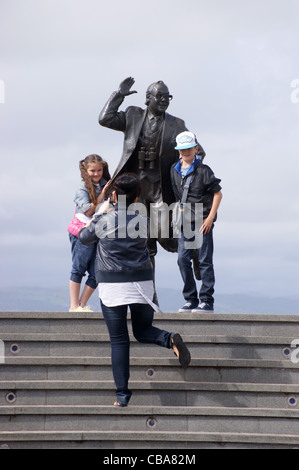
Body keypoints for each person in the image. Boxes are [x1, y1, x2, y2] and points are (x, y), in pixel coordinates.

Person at [78, 173, 191, 407]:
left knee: (119, 341)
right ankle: (169, 339)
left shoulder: (103, 220)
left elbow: (83, 237)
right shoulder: (143, 221)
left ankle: (122, 395)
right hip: (142, 282)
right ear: (137, 196)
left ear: (113, 196)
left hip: (112, 284)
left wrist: (101, 212)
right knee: (142, 330)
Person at [98, 77, 206, 258]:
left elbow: (199, 152)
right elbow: (105, 119)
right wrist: (118, 96)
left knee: (165, 238)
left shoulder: (177, 124)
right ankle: (150, 286)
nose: (164, 100)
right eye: (160, 96)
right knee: (143, 242)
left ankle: (194, 254)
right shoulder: (133, 115)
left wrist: (184, 171)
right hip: (135, 187)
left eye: (168, 97)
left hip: (161, 187)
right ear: (148, 98)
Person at [170, 132, 222, 313]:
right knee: (182, 260)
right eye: (182, 149)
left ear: (196, 149)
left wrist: (209, 218)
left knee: (204, 260)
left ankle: (206, 301)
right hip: (185, 221)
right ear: (178, 151)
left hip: (202, 220)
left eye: (189, 148)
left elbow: (218, 193)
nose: (186, 152)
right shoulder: (174, 170)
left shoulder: (204, 170)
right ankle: (191, 299)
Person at [69, 154, 110, 312]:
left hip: (97, 232)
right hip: (82, 232)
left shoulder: (105, 184)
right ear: (86, 171)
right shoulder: (82, 189)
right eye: (93, 170)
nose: (96, 174)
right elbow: (88, 211)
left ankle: (81, 305)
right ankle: (74, 306)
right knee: (78, 268)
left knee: (96, 272)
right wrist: (102, 196)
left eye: (99, 170)